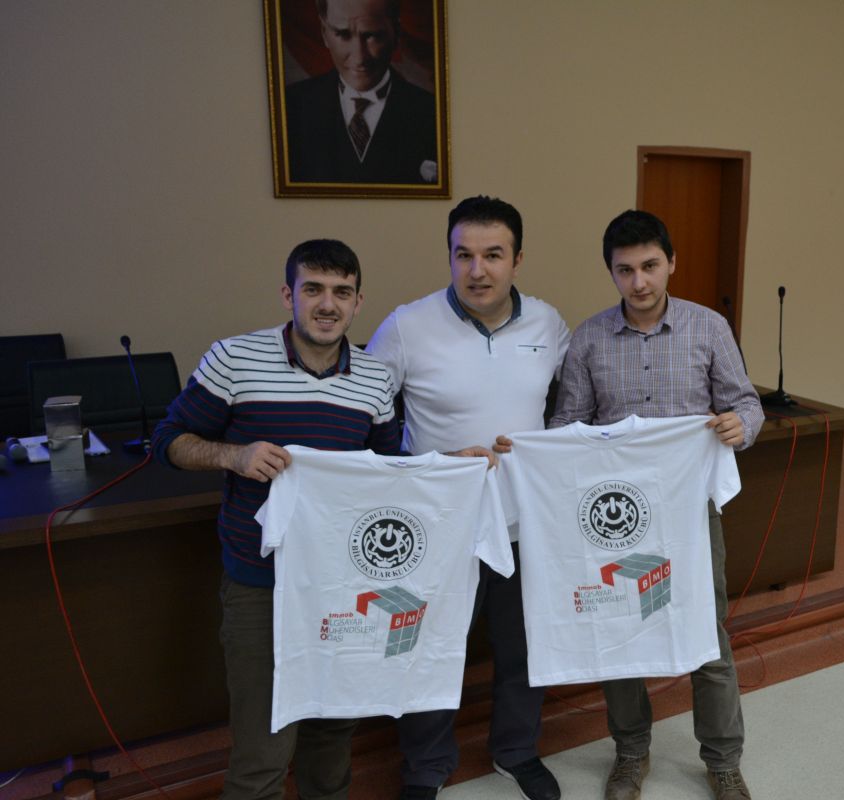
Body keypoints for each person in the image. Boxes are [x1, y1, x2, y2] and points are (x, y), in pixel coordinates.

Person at [152, 239, 489, 800]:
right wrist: (233, 455)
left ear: (358, 302)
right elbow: (168, 441)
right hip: (261, 582)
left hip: (343, 585)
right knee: (262, 750)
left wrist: (448, 466)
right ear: (289, 295)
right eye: (313, 289)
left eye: (341, 292)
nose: (327, 304)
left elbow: (387, 474)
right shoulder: (234, 359)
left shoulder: (375, 380)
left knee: (333, 734)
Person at [543, 210, 764, 800]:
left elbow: (747, 403)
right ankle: (630, 752)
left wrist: (739, 426)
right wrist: (540, 452)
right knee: (620, 631)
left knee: (706, 631)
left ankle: (723, 760)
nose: (639, 282)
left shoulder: (708, 327)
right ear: (610, 272)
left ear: (671, 263)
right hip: (615, 517)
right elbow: (568, 424)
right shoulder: (589, 337)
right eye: (625, 270)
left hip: (689, 508)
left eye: (649, 266)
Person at [367, 196, 570, 800]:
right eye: (463, 255)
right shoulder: (405, 327)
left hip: (523, 522)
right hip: (440, 526)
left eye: (492, 255)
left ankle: (516, 750)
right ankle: (426, 766)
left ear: (517, 260)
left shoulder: (548, 324)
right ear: (450, 257)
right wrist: (429, 467)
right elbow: (367, 424)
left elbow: (572, 407)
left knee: (523, 646)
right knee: (429, 649)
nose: (477, 270)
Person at [285, 0, 438, 185]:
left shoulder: (433, 114)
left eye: (371, 35)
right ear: (324, 33)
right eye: (343, 34)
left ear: (396, 33)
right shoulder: (289, 107)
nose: (359, 58)